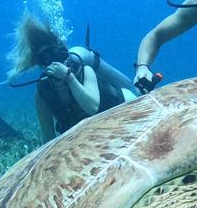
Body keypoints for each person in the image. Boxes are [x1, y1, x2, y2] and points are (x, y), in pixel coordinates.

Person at [8, 14, 138, 141]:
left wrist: (70, 78)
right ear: (42, 64)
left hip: (121, 106)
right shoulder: (43, 92)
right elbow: (47, 136)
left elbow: (93, 108)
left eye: (58, 56)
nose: (55, 63)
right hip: (92, 132)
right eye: (47, 59)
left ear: (64, 54)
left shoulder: (84, 70)